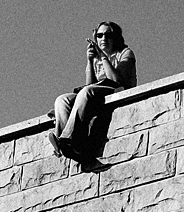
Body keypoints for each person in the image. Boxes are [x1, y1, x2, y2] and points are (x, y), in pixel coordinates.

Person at [48, 21, 137, 169]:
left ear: (116, 37)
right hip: (95, 92)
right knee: (62, 100)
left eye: (108, 35)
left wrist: (103, 57)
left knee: (86, 92)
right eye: (99, 35)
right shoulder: (96, 58)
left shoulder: (125, 53)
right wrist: (90, 61)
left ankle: (69, 139)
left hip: (118, 90)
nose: (103, 38)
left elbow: (116, 80)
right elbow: (90, 83)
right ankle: (65, 142)